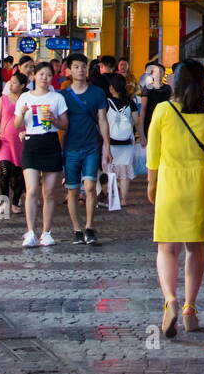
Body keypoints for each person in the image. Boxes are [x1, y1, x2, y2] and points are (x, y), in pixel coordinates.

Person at [147, 58, 204, 337]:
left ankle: (170, 299)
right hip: (200, 187)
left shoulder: (162, 111)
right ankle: (190, 309)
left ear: (176, 83)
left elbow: (153, 155)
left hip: (170, 185)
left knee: (167, 249)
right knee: (196, 249)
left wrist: (151, 185)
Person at [17, 62, 70, 247]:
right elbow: (17, 125)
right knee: (31, 190)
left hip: (50, 142)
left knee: (48, 193)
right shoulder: (25, 97)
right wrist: (21, 114)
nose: (44, 78)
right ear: (33, 76)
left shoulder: (57, 98)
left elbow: (65, 124)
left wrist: (54, 119)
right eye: (41, 74)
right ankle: (30, 231)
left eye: (48, 75)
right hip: (31, 144)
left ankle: (46, 232)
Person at [61, 53, 111, 245]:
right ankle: (76, 229)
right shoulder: (63, 95)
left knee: (90, 186)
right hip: (71, 147)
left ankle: (89, 227)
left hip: (91, 146)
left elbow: (103, 120)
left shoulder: (97, 93)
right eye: (76, 67)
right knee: (72, 191)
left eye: (83, 67)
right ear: (69, 70)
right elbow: (59, 121)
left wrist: (107, 145)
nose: (80, 70)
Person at [0, 69, 27, 219]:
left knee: (20, 175)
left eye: (15, 82)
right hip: (5, 142)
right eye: (10, 82)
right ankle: (4, 202)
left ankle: (15, 202)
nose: (11, 85)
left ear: (22, 85)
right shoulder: (3, 99)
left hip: (22, 143)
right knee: (4, 173)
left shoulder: (27, 99)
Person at [104, 72, 141, 208]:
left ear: (112, 88)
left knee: (110, 170)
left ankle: (112, 199)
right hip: (127, 142)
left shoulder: (107, 103)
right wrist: (141, 138)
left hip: (111, 142)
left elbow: (102, 122)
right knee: (124, 172)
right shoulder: (130, 102)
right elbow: (137, 122)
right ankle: (124, 199)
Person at [139, 61, 172, 141]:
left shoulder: (168, 88)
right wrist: (141, 133)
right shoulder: (147, 88)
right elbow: (143, 109)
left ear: (164, 73)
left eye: (161, 71)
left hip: (165, 122)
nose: (158, 74)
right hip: (150, 122)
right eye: (156, 71)